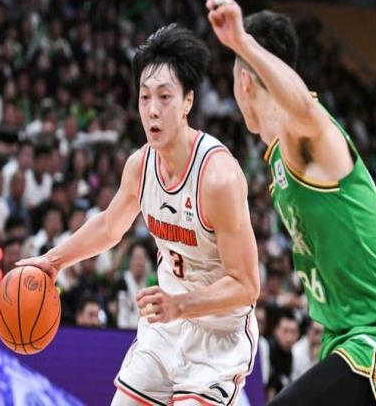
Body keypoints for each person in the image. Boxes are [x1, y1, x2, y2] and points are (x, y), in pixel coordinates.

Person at [206, 0, 376, 405]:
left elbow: (304, 110)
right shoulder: (279, 156)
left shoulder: (306, 135)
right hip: (344, 340)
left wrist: (242, 43)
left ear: (244, 81)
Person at [17, 24, 260, 406]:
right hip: (164, 329)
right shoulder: (140, 165)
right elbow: (109, 225)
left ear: (187, 102)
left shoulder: (218, 178)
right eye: (144, 97)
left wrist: (180, 305)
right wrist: (53, 261)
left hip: (218, 337)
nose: (152, 109)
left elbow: (246, 286)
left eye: (164, 96)